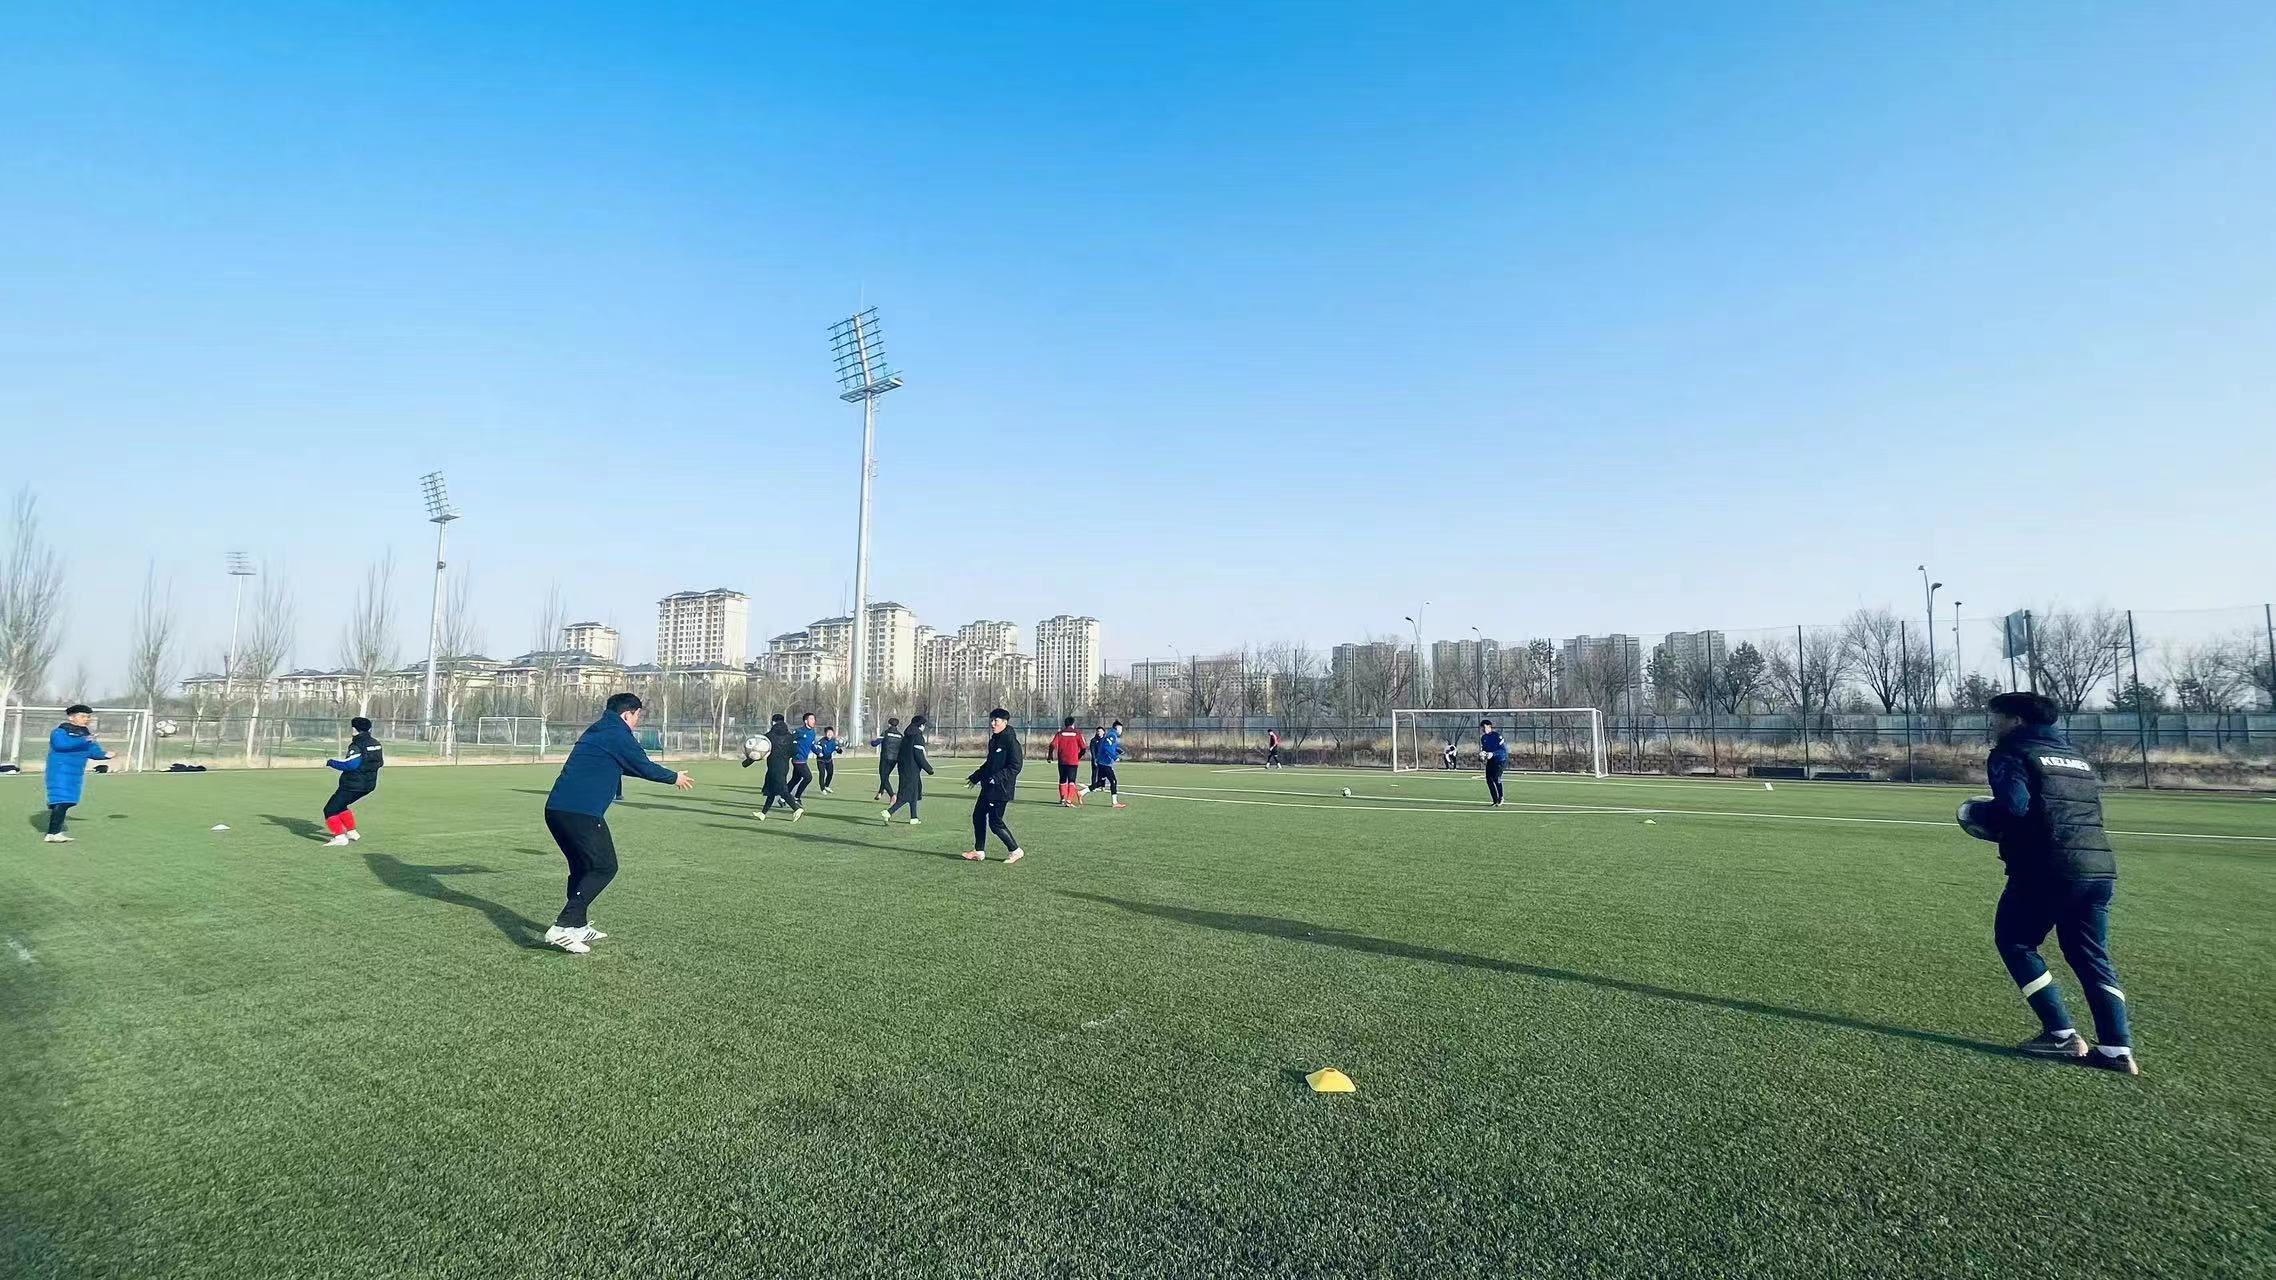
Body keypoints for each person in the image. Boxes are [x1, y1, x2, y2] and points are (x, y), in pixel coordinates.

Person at [1979, 691, 2136, 1074]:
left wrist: (1981, 816)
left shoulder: (2012, 752)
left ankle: (2061, 1035)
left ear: (2016, 720)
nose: (1993, 724)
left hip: (2046, 867)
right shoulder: (2076, 758)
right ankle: (2117, 1049)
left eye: (1997, 717)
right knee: (2091, 956)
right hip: (2098, 869)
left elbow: (2015, 807)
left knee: (2016, 942)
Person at [539, 693, 692, 954]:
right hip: (580, 813)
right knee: (605, 867)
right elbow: (642, 765)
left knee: (582, 867)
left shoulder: (599, 729)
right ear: (627, 714)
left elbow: (627, 765)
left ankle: (577, 925)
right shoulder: (618, 734)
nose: (637, 721)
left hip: (557, 810)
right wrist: (673, 777)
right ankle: (562, 926)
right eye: (637, 716)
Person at [43, 704, 114, 843]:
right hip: (60, 771)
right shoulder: (59, 732)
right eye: (83, 716)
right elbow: (61, 745)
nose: (86, 719)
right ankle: (52, 833)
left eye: (88, 717)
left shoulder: (86, 734)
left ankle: (55, 831)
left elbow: (93, 752)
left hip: (76, 773)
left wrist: (105, 755)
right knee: (61, 799)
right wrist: (84, 740)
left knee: (69, 801)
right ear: (71, 717)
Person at [963, 707, 1025, 863]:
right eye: (991, 720)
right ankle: (979, 851)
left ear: (1005, 722)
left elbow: (1015, 766)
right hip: (988, 787)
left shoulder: (1011, 742)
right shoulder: (994, 740)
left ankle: (1015, 850)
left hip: (1001, 789)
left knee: (995, 823)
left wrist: (997, 778)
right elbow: (990, 764)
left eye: (995, 721)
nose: (992, 724)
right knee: (978, 815)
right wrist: (976, 777)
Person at [318, 716, 385, 846]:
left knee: (330, 810)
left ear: (354, 729)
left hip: (353, 784)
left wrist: (330, 762)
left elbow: (350, 765)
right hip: (369, 784)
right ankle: (352, 832)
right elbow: (379, 762)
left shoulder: (357, 745)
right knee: (340, 806)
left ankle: (339, 837)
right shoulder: (376, 743)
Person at [883, 714, 935, 824]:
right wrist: (929, 769)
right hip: (912, 770)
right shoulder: (918, 737)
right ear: (921, 725)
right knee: (906, 795)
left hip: (903, 768)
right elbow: (919, 755)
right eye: (924, 725)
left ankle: (914, 818)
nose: (924, 727)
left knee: (913, 793)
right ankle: (888, 812)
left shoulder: (907, 736)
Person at [754, 714, 799, 820]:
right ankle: (763, 814)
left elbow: (759, 749)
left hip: (774, 767)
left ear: (773, 722)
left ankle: (796, 808)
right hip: (784, 766)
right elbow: (794, 751)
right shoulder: (790, 736)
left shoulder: (769, 736)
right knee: (772, 791)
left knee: (781, 790)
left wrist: (747, 762)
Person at [1086, 722, 1127, 809]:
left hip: (1103, 762)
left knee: (1100, 783)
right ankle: (1115, 803)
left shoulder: (1111, 735)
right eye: (1121, 728)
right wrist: (1114, 757)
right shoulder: (1112, 735)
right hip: (1105, 763)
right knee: (1113, 781)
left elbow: (1110, 747)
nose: (1121, 730)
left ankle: (1081, 793)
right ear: (1117, 728)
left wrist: (1118, 750)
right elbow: (1107, 747)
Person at [1050, 716, 1087, 806]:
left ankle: (1063, 798)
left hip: (1062, 760)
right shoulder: (1077, 733)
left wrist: (1049, 755)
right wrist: (1079, 756)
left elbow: (1052, 744)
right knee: (1072, 780)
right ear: (1073, 724)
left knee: (1062, 779)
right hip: (1073, 761)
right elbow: (1084, 747)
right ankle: (1069, 800)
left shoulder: (1060, 733)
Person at [787, 712, 819, 803]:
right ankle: (797, 798)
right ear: (806, 721)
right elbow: (789, 741)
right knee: (808, 777)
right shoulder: (799, 731)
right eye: (811, 719)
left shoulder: (812, 733)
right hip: (798, 759)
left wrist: (818, 752)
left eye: (814, 719)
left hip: (804, 759)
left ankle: (783, 797)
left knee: (795, 779)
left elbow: (812, 745)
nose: (813, 721)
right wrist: (793, 752)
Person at [872, 717, 903, 801]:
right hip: (895, 759)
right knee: (885, 776)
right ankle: (880, 792)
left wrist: (871, 742)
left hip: (885, 758)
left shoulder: (885, 733)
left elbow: (875, 743)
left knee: (883, 777)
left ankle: (892, 795)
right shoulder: (900, 735)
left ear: (889, 724)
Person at [1479, 719, 1508, 807]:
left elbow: (1503, 750)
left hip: (1500, 760)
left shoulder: (1497, 736)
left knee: (1496, 778)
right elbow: (1484, 750)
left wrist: (1493, 754)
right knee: (1489, 780)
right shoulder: (1483, 738)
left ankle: (1501, 797)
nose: (1483, 729)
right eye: (1482, 727)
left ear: (1489, 726)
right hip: (1491, 761)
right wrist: (1482, 756)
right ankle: (1495, 800)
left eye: (1484, 727)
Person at [816, 726, 841, 794]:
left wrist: (839, 750)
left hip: (829, 760)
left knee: (830, 773)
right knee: (822, 773)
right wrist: (819, 753)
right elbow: (818, 750)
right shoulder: (821, 741)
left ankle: (826, 786)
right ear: (825, 734)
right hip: (821, 760)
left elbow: (837, 749)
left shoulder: (833, 741)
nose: (829, 734)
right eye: (828, 732)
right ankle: (822, 789)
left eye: (831, 732)